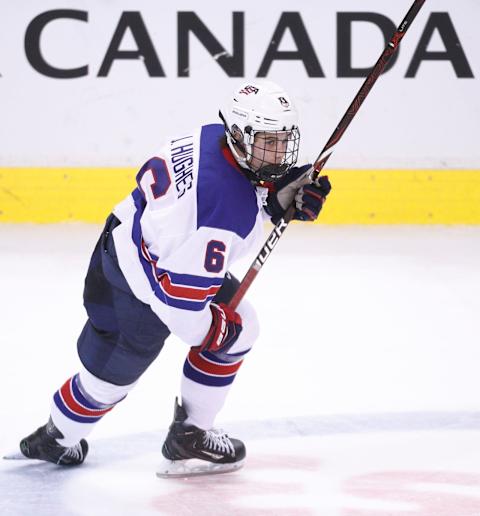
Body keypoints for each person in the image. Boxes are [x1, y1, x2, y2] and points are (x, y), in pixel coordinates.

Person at [17, 80, 331, 476]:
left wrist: (274, 200)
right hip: (136, 290)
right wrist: (212, 331)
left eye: (283, 141)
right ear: (238, 134)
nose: (279, 153)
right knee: (107, 383)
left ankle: (190, 435)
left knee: (243, 326)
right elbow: (181, 307)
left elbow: (221, 200)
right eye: (267, 141)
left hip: (139, 243)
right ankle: (56, 438)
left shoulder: (215, 137)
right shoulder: (218, 212)